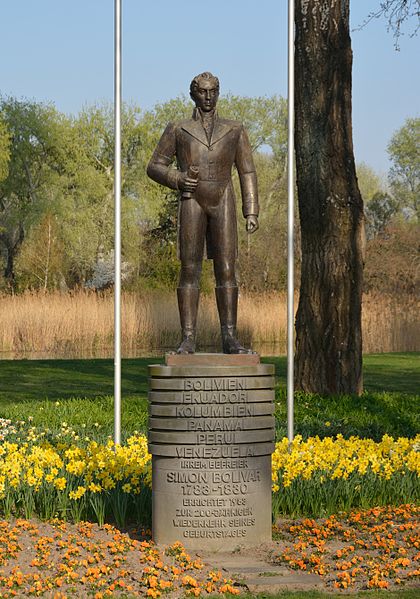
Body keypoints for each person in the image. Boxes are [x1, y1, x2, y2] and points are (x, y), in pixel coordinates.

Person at [147, 72, 259, 354]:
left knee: (227, 268)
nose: (208, 97)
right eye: (202, 92)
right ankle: (187, 338)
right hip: (191, 200)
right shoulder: (179, 128)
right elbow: (155, 166)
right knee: (189, 268)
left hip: (223, 198)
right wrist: (177, 179)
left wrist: (251, 210)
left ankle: (230, 337)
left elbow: (246, 170)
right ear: (193, 94)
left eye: (213, 92)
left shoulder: (234, 129)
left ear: (219, 93)